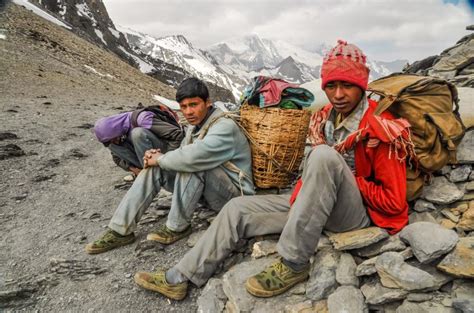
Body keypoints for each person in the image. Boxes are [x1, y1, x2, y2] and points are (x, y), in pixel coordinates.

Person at [132, 40, 412, 301]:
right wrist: (316, 186)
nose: (338, 95)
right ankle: (179, 277)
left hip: (353, 214)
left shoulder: (380, 127)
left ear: (361, 86)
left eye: (347, 86)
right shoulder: (324, 120)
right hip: (314, 205)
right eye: (332, 85)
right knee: (237, 208)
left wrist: (342, 179)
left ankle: (293, 261)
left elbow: (394, 203)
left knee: (323, 156)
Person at [85, 77, 255, 254]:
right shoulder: (193, 127)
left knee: (190, 164)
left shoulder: (224, 126)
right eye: (184, 107)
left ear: (207, 103)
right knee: (155, 169)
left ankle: (177, 227)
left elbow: (193, 157)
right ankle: (120, 229)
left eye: (194, 104)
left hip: (235, 199)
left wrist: (160, 158)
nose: (188, 112)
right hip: (209, 192)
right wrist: (155, 159)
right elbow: (181, 153)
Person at [94, 104, 183, 179]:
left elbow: (177, 135)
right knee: (113, 146)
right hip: (146, 160)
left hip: (164, 152)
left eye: (112, 139)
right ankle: (148, 174)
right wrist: (133, 169)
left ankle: (159, 174)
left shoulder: (142, 119)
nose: (114, 141)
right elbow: (117, 158)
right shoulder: (117, 133)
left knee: (137, 133)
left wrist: (166, 160)